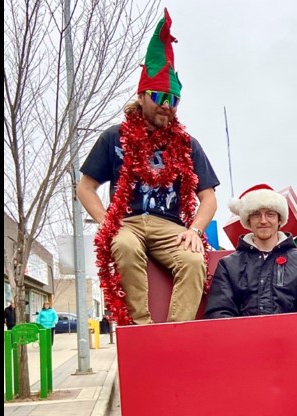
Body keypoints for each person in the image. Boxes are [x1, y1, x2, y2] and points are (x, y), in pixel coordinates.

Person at [77, 9, 219, 326]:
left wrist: (195, 230)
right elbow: (86, 187)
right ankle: (142, 330)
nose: (166, 105)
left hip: (169, 225)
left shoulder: (188, 144)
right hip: (126, 221)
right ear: (142, 96)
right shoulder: (114, 137)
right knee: (124, 246)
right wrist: (105, 220)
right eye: (158, 96)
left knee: (195, 261)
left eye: (173, 99)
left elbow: (208, 197)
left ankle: (173, 337)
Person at [204, 184, 297, 318]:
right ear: (248, 220)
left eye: (270, 214)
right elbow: (219, 312)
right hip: (243, 338)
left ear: (280, 219)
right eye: (256, 215)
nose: (263, 221)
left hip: (292, 338)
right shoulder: (228, 265)